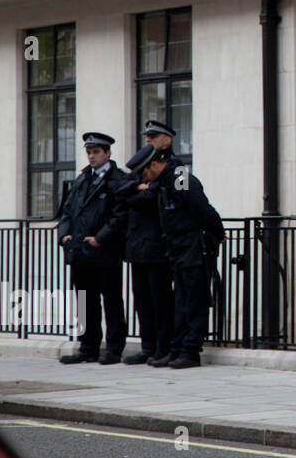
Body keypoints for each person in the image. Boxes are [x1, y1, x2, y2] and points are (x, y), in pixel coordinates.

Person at [139, 148, 224, 369]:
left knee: (195, 301)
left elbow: (201, 209)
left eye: (144, 173)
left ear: (155, 165)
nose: (143, 179)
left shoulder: (180, 179)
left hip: (194, 248)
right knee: (181, 303)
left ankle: (190, 352)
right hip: (177, 249)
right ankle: (177, 349)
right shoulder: (165, 182)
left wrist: (218, 231)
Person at [58, 133, 133, 365]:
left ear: (107, 153)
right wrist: (64, 235)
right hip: (80, 251)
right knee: (84, 300)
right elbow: (67, 211)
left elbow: (120, 216)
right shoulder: (82, 179)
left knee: (111, 300)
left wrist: (100, 238)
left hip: (105, 251)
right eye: (89, 152)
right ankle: (87, 346)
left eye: (96, 152)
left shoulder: (118, 180)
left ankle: (113, 348)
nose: (91, 156)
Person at [116, 145, 174, 366]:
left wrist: (138, 192)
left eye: (152, 137)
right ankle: (148, 346)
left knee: (161, 301)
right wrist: (137, 188)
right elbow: (119, 192)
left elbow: (155, 196)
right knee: (142, 301)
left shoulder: (175, 169)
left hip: (157, 249)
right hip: (136, 249)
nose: (148, 139)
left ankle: (164, 347)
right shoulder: (139, 174)